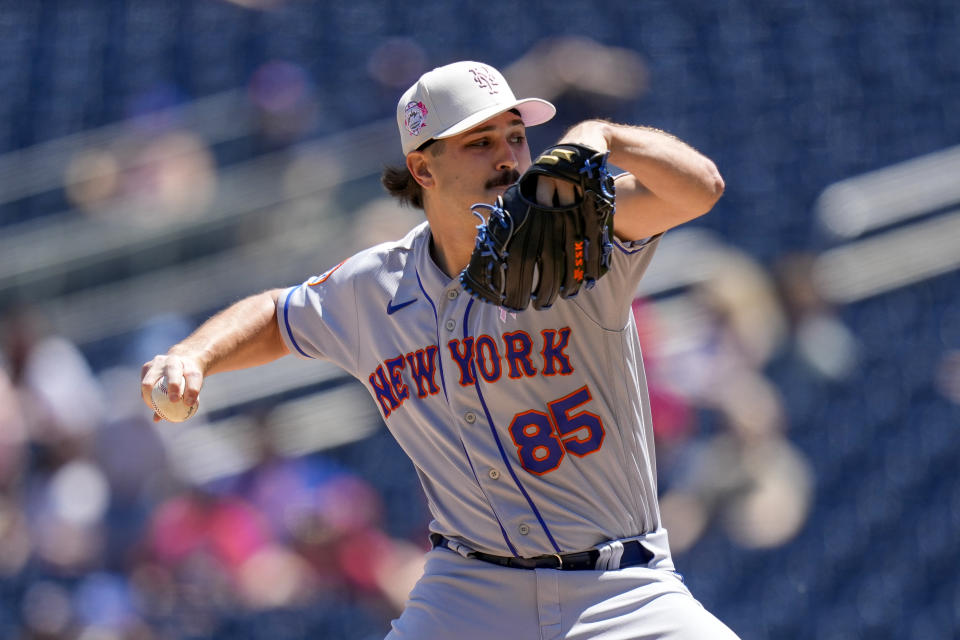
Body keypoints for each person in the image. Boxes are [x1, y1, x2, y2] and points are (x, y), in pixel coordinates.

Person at [141, 60, 738, 639]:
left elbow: (700, 189)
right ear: (423, 170)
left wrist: (603, 136)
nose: (509, 157)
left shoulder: (574, 236)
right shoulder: (374, 287)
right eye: (480, 142)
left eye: (516, 136)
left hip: (621, 589)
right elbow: (276, 313)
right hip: (470, 592)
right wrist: (194, 355)